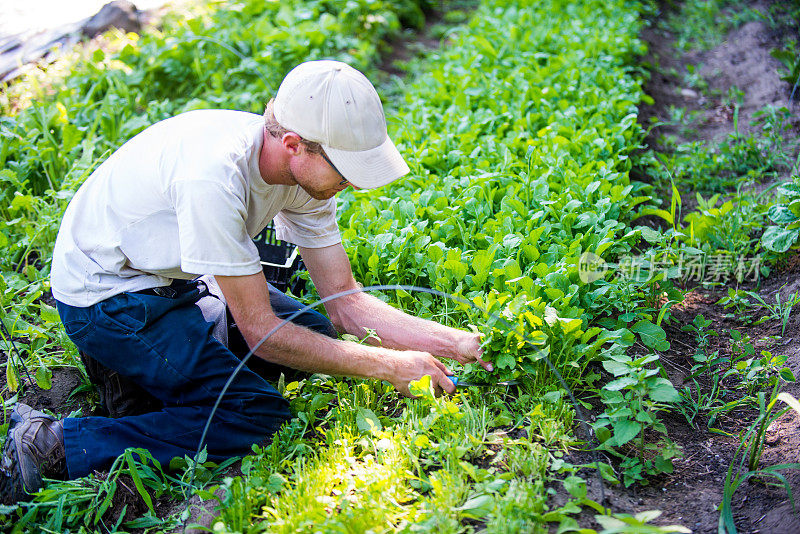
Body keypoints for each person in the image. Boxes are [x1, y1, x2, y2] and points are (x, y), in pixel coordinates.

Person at [0, 60, 491, 502]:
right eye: (346, 170)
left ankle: (160, 379)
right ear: (294, 145)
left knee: (318, 335)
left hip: (177, 280)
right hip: (109, 300)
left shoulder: (305, 176)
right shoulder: (214, 178)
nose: (354, 183)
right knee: (258, 418)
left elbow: (347, 305)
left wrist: (458, 343)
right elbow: (266, 334)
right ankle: (52, 444)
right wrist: (388, 366)